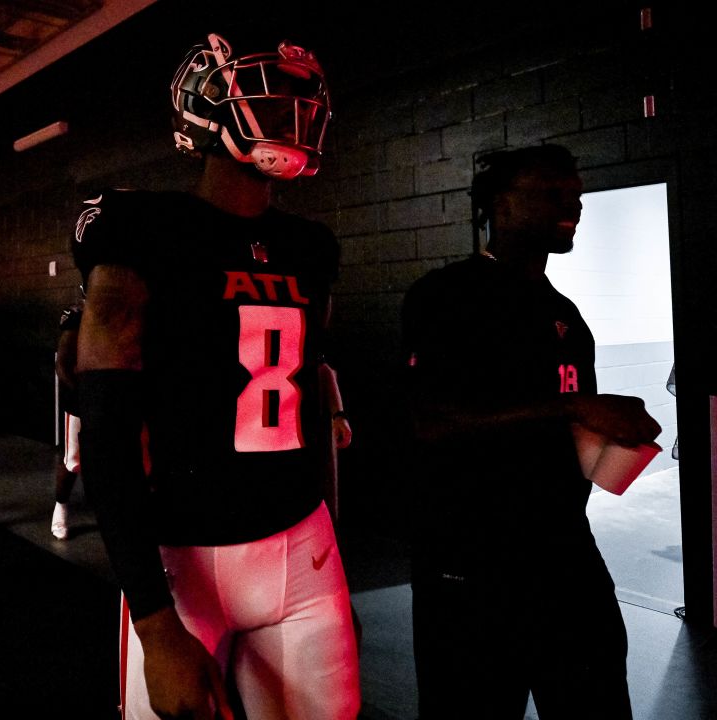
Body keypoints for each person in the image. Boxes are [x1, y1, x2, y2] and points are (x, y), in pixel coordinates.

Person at [73, 31, 360, 720]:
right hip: (181, 558)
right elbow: (106, 435)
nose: (293, 115)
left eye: (300, 101)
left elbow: (309, 399)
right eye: (273, 96)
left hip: (302, 546)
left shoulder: (310, 247)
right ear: (204, 108)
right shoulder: (143, 226)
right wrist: (154, 622)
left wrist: (332, 531)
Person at [401, 144, 662, 719]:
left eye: (576, 196)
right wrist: (574, 408)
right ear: (499, 203)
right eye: (552, 193)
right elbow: (431, 422)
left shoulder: (567, 317)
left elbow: (567, 437)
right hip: (470, 566)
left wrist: (614, 446)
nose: (573, 205)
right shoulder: (445, 296)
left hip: (565, 558)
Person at [52, 300, 83, 540]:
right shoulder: (78, 314)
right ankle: (60, 506)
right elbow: (62, 363)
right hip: (86, 396)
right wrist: (81, 395)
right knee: (72, 459)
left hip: (121, 395)